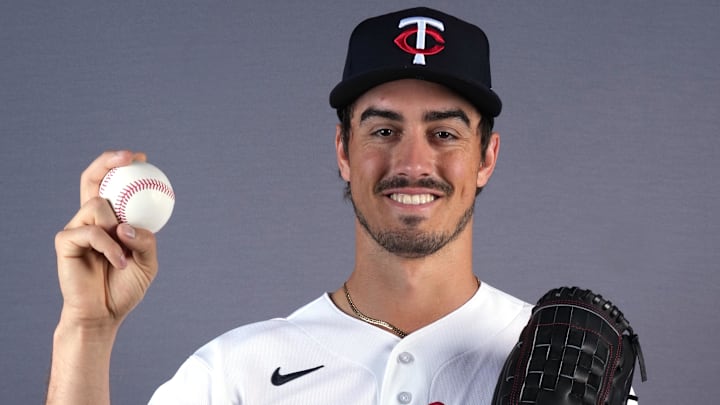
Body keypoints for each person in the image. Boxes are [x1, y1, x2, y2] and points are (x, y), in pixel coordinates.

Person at [48, 7, 635, 405]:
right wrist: (87, 331)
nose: (412, 162)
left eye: (445, 133)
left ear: (487, 156)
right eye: (382, 131)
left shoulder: (570, 365)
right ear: (343, 151)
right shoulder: (236, 374)